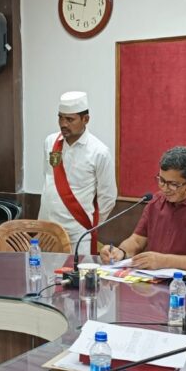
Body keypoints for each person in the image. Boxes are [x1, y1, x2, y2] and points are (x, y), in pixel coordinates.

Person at [99, 146, 186, 271]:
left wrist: (164, 261)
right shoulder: (157, 201)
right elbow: (137, 241)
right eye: (161, 180)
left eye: (172, 184)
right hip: (155, 279)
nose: (164, 188)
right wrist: (120, 252)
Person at [38, 91, 117, 253]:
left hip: (77, 234)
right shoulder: (50, 142)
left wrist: (88, 225)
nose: (63, 124)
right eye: (60, 118)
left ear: (85, 119)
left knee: (77, 270)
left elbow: (108, 197)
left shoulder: (99, 152)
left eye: (70, 119)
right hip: (47, 230)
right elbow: (48, 180)